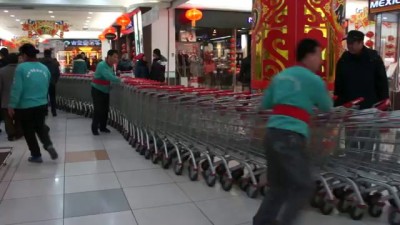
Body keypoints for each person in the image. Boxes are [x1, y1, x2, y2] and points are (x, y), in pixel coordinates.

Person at [253, 39, 332, 225]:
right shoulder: (313, 80)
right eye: (319, 55)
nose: (320, 61)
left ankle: (261, 222)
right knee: (304, 186)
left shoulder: (281, 76)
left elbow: (265, 104)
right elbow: (327, 107)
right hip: (291, 137)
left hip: (272, 134)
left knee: (278, 186)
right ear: (309, 55)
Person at [8, 44, 58, 163]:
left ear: (24, 55)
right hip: (41, 103)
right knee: (40, 127)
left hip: (25, 106)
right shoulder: (44, 68)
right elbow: (47, 85)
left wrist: (12, 104)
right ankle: (48, 144)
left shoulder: (21, 68)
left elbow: (17, 88)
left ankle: (36, 155)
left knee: (28, 131)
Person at [335, 30, 389, 109]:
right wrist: (338, 103)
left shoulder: (373, 58)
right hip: (349, 105)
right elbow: (339, 83)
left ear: (361, 43)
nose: (349, 46)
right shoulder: (344, 59)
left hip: (369, 105)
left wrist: (384, 101)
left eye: (352, 43)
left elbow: (382, 81)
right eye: (348, 43)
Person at [91, 49, 121, 136]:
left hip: (105, 90)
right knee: (98, 109)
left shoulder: (111, 66)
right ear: (109, 57)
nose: (116, 59)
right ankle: (94, 128)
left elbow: (111, 76)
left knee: (105, 110)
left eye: (117, 57)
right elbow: (107, 76)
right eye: (115, 57)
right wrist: (119, 79)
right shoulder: (101, 65)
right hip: (97, 90)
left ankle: (103, 127)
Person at [0, 53, 23, 141]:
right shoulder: (22, 70)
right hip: (20, 99)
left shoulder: (1, 71)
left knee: (7, 119)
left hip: (6, 100)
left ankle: (11, 134)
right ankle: (19, 132)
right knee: (18, 118)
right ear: (17, 60)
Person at [40, 49, 60, 117]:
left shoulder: (40, 62)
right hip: (52, 82)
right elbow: (58, 73)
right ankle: (54, 112)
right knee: (52, 97)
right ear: (50, 54)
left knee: (44, 97)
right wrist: (55, 81)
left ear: (44, 54)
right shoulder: (54, 62)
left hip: (43, 82)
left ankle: (45, 111)